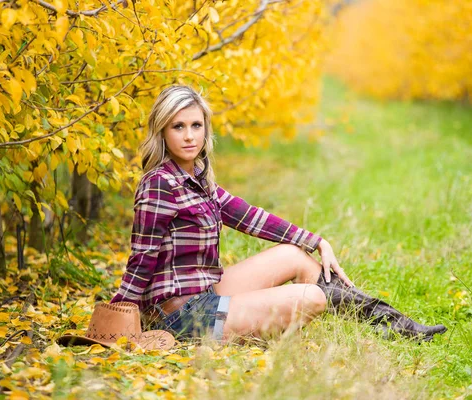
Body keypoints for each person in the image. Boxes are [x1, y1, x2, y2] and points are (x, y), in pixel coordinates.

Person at [109, 85, 447, 343]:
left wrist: (316, 241)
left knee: (292, 255)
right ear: (163, 131)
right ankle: (241, 330)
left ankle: (394, 326)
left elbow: (251, 217)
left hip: (205, 293)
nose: (188, 135)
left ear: (205, 129)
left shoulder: (198, 179)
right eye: (178, 126)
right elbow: (143, 257)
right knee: (312, 298)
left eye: (196, 125)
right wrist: (119, 313)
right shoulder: (159, 183)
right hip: (181, 315)